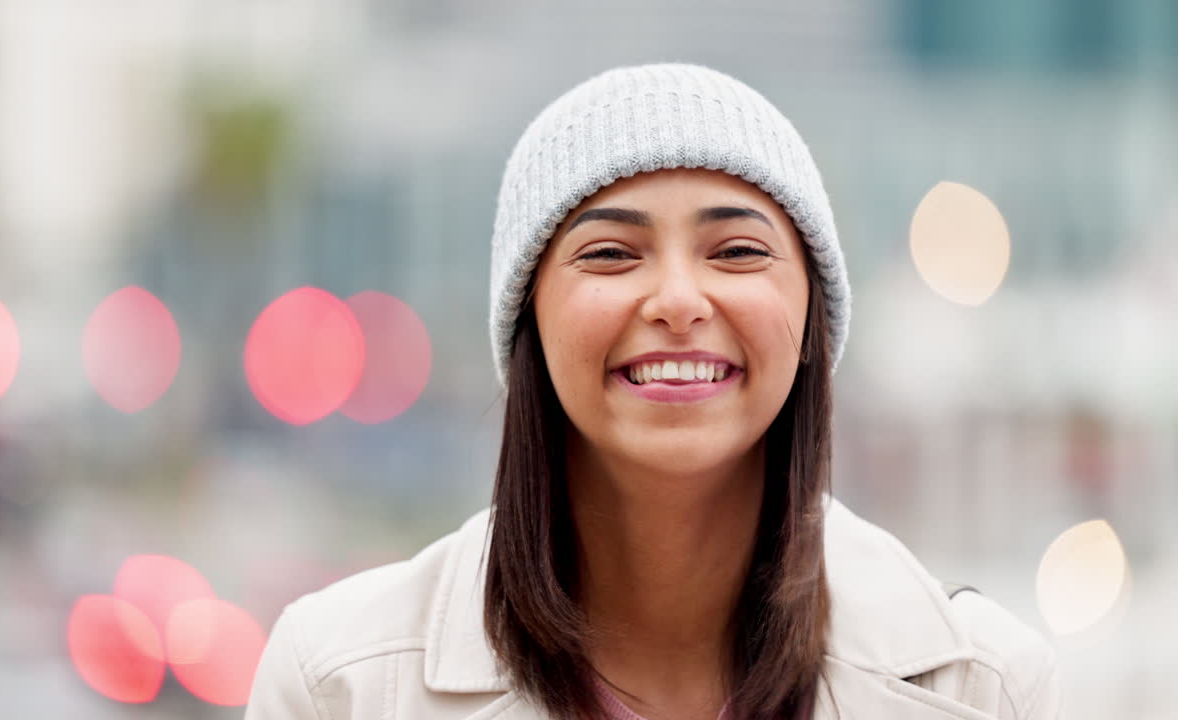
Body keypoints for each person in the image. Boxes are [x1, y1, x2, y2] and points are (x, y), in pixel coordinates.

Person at [245, 62, 1064, 720]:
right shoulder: (340, 684)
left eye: (738, 251)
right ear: (528, 317)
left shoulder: (985, 689)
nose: (678, 299)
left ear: (813, 317)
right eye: (609, 254)